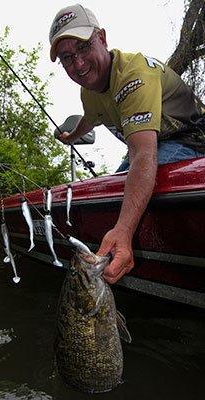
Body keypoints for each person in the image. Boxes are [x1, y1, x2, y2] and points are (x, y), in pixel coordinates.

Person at [49, 4, 205, 284]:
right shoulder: (90, 91)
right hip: (155, 145)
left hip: (192, 141)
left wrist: (123, 229)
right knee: (117, 184)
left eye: (84, 48)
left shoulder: (134, 77)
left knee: (125, 187)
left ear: (103, 39)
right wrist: (71, 137)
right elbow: (90, 119)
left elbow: (143, 155)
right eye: (67, 58)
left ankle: (127, 244)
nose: (79, 64)